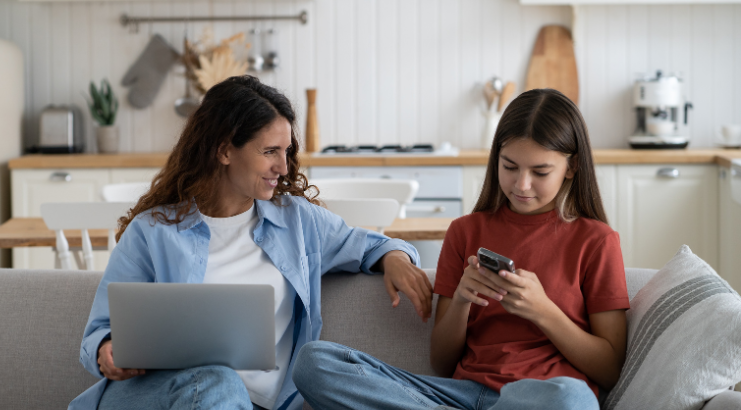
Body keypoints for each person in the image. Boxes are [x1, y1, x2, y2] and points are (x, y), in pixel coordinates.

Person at [68, 75, 434, 410]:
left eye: (286, 151)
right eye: (270, 152)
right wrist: (107, 351)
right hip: (166, 395)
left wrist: (396, 258)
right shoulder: (153, 231)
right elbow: (99, 332)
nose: (284, 167)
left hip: (256, 403)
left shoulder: (298, 221)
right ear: (225, 151)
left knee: (223, 387)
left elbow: (367, 244)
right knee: (216, 381)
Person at [292, 88, 630, 410]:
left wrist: (543, 310)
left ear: (571, 167)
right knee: (313, 363)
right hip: (459, 395)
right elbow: (441, 362)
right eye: (509, 166)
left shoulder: (596, 241)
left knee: (574, 400)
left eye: (540, 171)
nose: (521, 184)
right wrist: (463, 301)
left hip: (538, 399)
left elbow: (609, 369)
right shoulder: (466, 231)